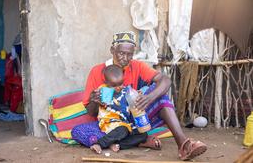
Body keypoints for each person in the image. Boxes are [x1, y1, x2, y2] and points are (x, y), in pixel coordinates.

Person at [71, 31, 207, 160]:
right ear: (112, 51)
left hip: (134, 118)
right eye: (121, 53)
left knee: (159, 94)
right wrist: (95, 101)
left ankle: (184, 144)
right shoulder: (98, 72)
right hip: (109, 122)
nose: (125, 58)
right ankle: (136, 140)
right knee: (78, 131)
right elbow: (91, 112)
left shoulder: (136, 66)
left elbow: (165, 80)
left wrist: (149, 98)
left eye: (129, 54)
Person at [90, 64, 161, 154]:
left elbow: (132, 98)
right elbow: (104, 103)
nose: (119, 87)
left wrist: (137, 95)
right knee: (122, 130)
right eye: (114, 85)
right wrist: (98, 98)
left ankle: (117, 144)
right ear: (107, 83)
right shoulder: (105, 91)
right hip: (110, 123)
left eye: (120, 83)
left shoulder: (125, 90)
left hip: (125, 123)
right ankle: (99, 143)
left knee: (142, 135)